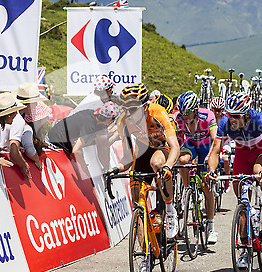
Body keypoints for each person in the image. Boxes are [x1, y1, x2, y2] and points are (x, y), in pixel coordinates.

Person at [206, 92, 262, 268]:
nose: (232, 119)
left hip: (259, 154)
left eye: (236, 116)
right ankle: (245, 251)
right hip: (240, 156)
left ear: (246, 114)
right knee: (243, 205)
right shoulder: (225, 122)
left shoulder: (258, 119)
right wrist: (212, 171)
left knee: (259, 172)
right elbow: (215, 150)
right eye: (230, 115)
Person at [107, 83, 180, 240]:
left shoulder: (158, 113)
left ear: (145, 106)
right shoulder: (123, 121)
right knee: (137, 203)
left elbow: (175, 147)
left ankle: (169, 210)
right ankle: (144, 255)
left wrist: (168, 167)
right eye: (125, 109)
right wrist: (115, 169)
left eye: (132, 109)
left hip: (162, 148)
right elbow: (127, 158)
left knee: (157, 163)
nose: (128, 113)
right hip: (142, 153)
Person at [174, 91, 219, 244]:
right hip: (191, 145)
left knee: (207, 187)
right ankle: (188, 190)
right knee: (182, 160)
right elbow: (178, 138)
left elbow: (215, 139)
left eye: (187, 114)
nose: (184, 117)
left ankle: (211, 226)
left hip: (207, 146)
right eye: (182, 114)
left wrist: (209, 158)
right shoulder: (179, 118)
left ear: (195, 109)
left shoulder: (207, 116)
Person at [47, 101, 120, 173]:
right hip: (54, 141)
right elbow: (76, 150)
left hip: (62, 139)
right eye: (113, 119)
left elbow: (103, 147)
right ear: (109, 119)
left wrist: (107, 169)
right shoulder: (89, 125)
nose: (113, 122)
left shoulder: (93, 115)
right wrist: (84, 168)